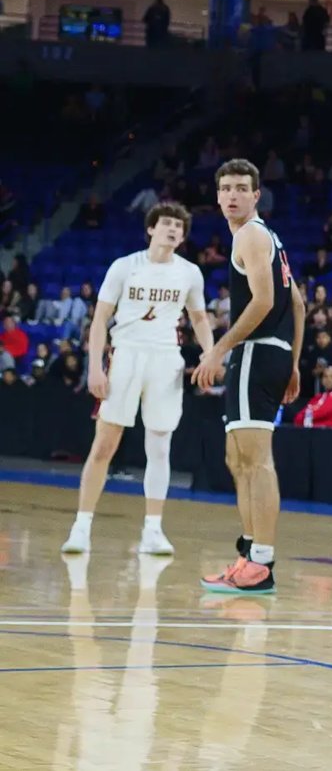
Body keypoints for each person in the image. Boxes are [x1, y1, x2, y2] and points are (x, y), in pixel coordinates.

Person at [61, 203, 209, 557]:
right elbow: (99, 322)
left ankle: (153, 531)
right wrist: (95, 368)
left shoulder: (190, 273)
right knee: (104, 446)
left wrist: (211, 353)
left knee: (159, 447)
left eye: (179, 226)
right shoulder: (124, 266)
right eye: (167, 224)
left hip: (166, 361)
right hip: (125, 355)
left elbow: (200, 319)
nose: (173, 229)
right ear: (151, 229)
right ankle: (81, 527)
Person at [192, 160, 305, 596]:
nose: (233, 195)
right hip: (270, 356)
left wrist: (219, 349)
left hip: (255, 354)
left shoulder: (251, 235)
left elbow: (263, 302)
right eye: (225, 188)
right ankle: (250, 553)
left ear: (257, 196)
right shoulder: (268, 239)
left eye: (242, 188)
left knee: (255, 463)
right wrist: (292, 362)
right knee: (236, 459)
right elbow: (296, 305)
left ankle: (260, 563)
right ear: (217, 196)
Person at [300, 365, 332, 429]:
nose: (328, 379)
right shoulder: (318, 397)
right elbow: (298, 418)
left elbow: (325, 412)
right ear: (322, 380)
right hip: (314, 433)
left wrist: (309, 416)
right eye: (325, 376)